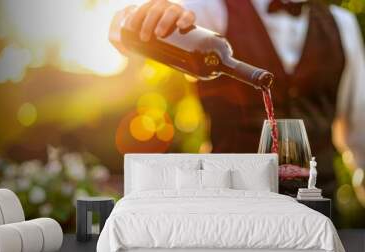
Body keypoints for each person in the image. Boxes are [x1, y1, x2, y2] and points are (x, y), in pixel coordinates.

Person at [110, 0, 365, 196]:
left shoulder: (343, 25)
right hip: (229, 212)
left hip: (319, 214)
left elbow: (361, 139)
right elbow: (122, 31)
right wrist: (138, 19)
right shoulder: (212, 8)